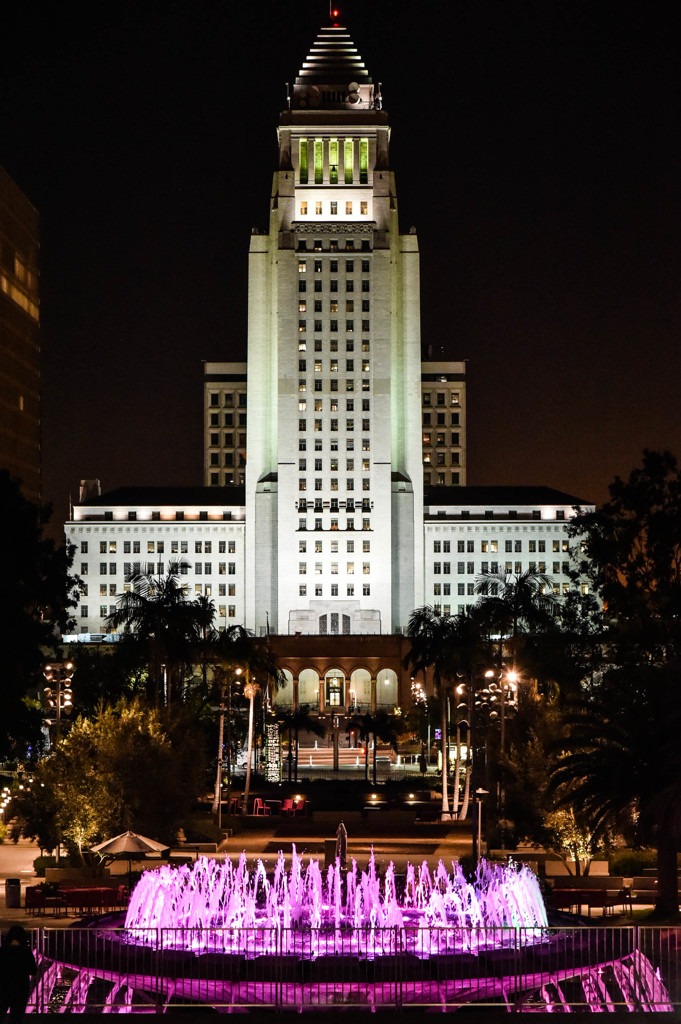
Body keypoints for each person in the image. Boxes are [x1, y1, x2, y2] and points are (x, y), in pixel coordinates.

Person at [0, 926, 37, 1018]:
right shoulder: (26, 952)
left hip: (3, 987)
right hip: (21, 988)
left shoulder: (2, 951)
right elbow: (33, 970)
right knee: (17, 1017)